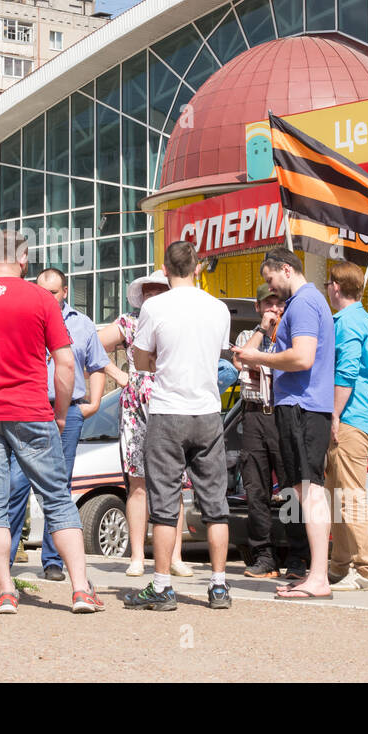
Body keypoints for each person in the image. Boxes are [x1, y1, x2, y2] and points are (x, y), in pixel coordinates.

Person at [0, 228, 103, 614]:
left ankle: (5, 592)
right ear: (24, 260)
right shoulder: (41, 299)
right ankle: (80, 591)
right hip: (32, 411)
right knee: (56, 498)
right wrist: (60, 414)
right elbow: (66, 363)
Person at [124, 241, 232, 611]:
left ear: (166, 270)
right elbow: (217, 354)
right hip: (207, 411)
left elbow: (140, 361)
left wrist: (157, 359)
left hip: (168, 411)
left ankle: (162, 585)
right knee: (215, 504)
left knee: (165, 504)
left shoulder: (154, 306)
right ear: (198, 268)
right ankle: (218, 586)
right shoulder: (218, 308)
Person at [234, 247, 335, 601]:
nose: (271, 286)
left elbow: (303, 357)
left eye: (270, 278)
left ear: (286, 270)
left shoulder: (305, 302)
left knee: (310, 491)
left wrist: (258, 356)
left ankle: (318, 576)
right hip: (301, 407)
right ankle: (315, 574)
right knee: (304, 491)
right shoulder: (307, 302)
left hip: (304, 408)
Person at [8, 267, 110, 581]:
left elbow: (98, 366)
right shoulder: (23, 318)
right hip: (30, 409)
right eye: (41, 290)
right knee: (15, 484)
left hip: (70, 412)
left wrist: (93, 403)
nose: (46, 297)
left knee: (58, 488)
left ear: (64, 292)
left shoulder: (82, 324)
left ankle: (53, 561)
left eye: (52, 292)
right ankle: (4, 559)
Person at [99, 270, 193, 578]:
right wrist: (120, 376)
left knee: (173, 484)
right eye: (148, 291)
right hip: (136, 408)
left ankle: (175, 556)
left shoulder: (179, 320)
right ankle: (138, 556)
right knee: (137, 485)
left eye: (160, 290)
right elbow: (93, 345)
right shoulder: (129, 323)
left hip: (171, 404)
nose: (153, 295)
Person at [324, 261, 368, 591]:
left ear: (336, 286)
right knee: (338, 496)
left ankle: (365, 570)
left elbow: (346, 373)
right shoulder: (363, 320)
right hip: (359, 418)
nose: (327, 289)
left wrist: (333, 415)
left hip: (349, 419)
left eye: (328, 283)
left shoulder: (347, 323)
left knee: (349, 498)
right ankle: (340, 565)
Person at [232, 284, 290, 579]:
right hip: (254, 416)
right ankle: (263, 556)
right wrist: (262, 328)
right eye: (268, 304)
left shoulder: (290, 332)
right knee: (256, 489)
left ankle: (297, 556)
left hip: (281, 416)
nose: (274, 309)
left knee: (292, 487)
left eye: (278, 303)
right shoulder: (247, 336)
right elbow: (241, 359)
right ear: (258, 307)